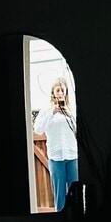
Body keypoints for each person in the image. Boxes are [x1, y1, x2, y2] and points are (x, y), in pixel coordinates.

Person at [34, 75, 78, 211]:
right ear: (53, 92)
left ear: (66, 93)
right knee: (60, 195)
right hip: (56, 157)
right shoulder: (46, 111)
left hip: (72, 156)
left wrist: (69, 115)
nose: (60, 93)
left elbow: (78, 131)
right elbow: (38, 129)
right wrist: (51, 113)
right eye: (58, 90)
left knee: (75, 192)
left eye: (63, 90)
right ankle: (60, 219)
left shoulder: (72, 110)